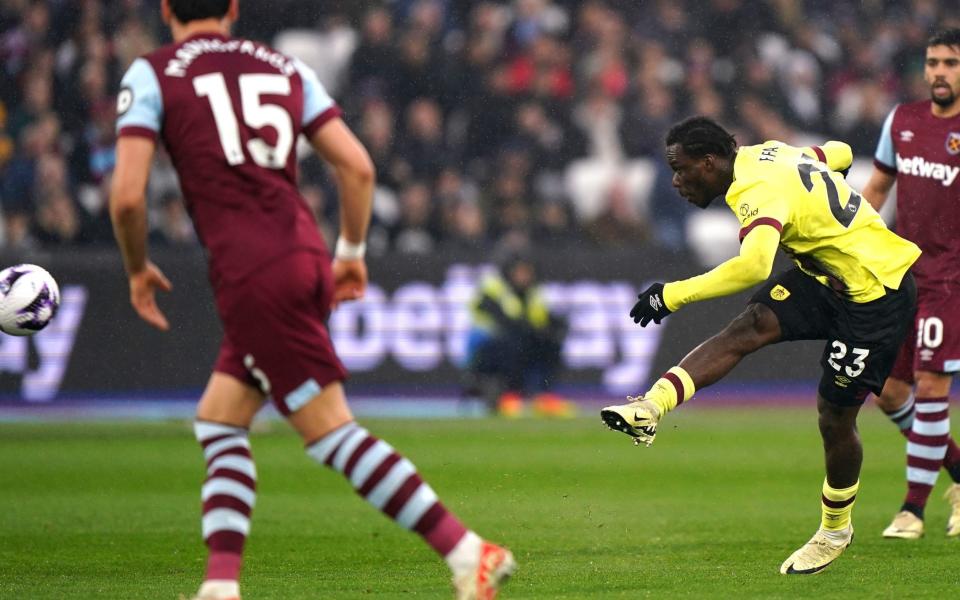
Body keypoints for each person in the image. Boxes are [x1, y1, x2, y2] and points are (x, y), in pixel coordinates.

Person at [108, 2, 515, 599]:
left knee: (330, 433)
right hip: (300, 252)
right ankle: (220, 587)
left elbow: (125, 199)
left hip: (252, 274)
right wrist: (350, 250)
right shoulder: (285, 68)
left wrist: (138, 267)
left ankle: (467, 551)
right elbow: (357, 166)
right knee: (220, 421)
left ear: (166, 9)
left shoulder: (152, 73)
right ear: (233, 8)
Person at [601, 116, 920, 575]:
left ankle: (835, 530)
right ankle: (650, 407)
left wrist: (672, 294)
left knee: (834, 417)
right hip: (826, 279)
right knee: (748, 327)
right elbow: (840, 152)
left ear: (709, 163)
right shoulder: (768, 152)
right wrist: (826, 210)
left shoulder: (754, 191)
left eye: (681, 167)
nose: (675, 180)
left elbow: (753, 267)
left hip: (875, 293)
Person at [861, 28, 960, 540]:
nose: (939, 72)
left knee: (930, 386)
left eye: (950, 63)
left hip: (952, 280)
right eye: (933, 62)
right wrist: (849, 242)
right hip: (904, 275)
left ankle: (913, 511)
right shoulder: (903, 121)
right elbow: (878, 186)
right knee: (890, 391)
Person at [464, 246, 572, 417]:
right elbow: (504, 320)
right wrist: (532, 330)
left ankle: (544, 396)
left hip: (517, 342)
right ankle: (510, 395)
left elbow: (542, 318)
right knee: (514, 343)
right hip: (484, 349)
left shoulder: (533, 292)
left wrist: (557, 327)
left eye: (527, 272)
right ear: (509, 272)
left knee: (550, 344)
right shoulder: (492, 289)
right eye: (520, 272)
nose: (524, 276)